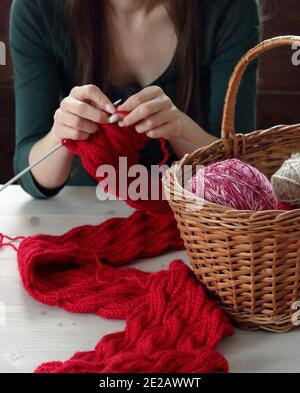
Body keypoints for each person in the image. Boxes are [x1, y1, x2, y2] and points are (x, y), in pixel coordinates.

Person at [10, 0, 260, 198]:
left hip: (198, 221)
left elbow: (241, 171)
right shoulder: (37, 8)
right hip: (81, 209)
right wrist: (61, 134)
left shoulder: (231, 7)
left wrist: (180, 129)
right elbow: (32, 178)